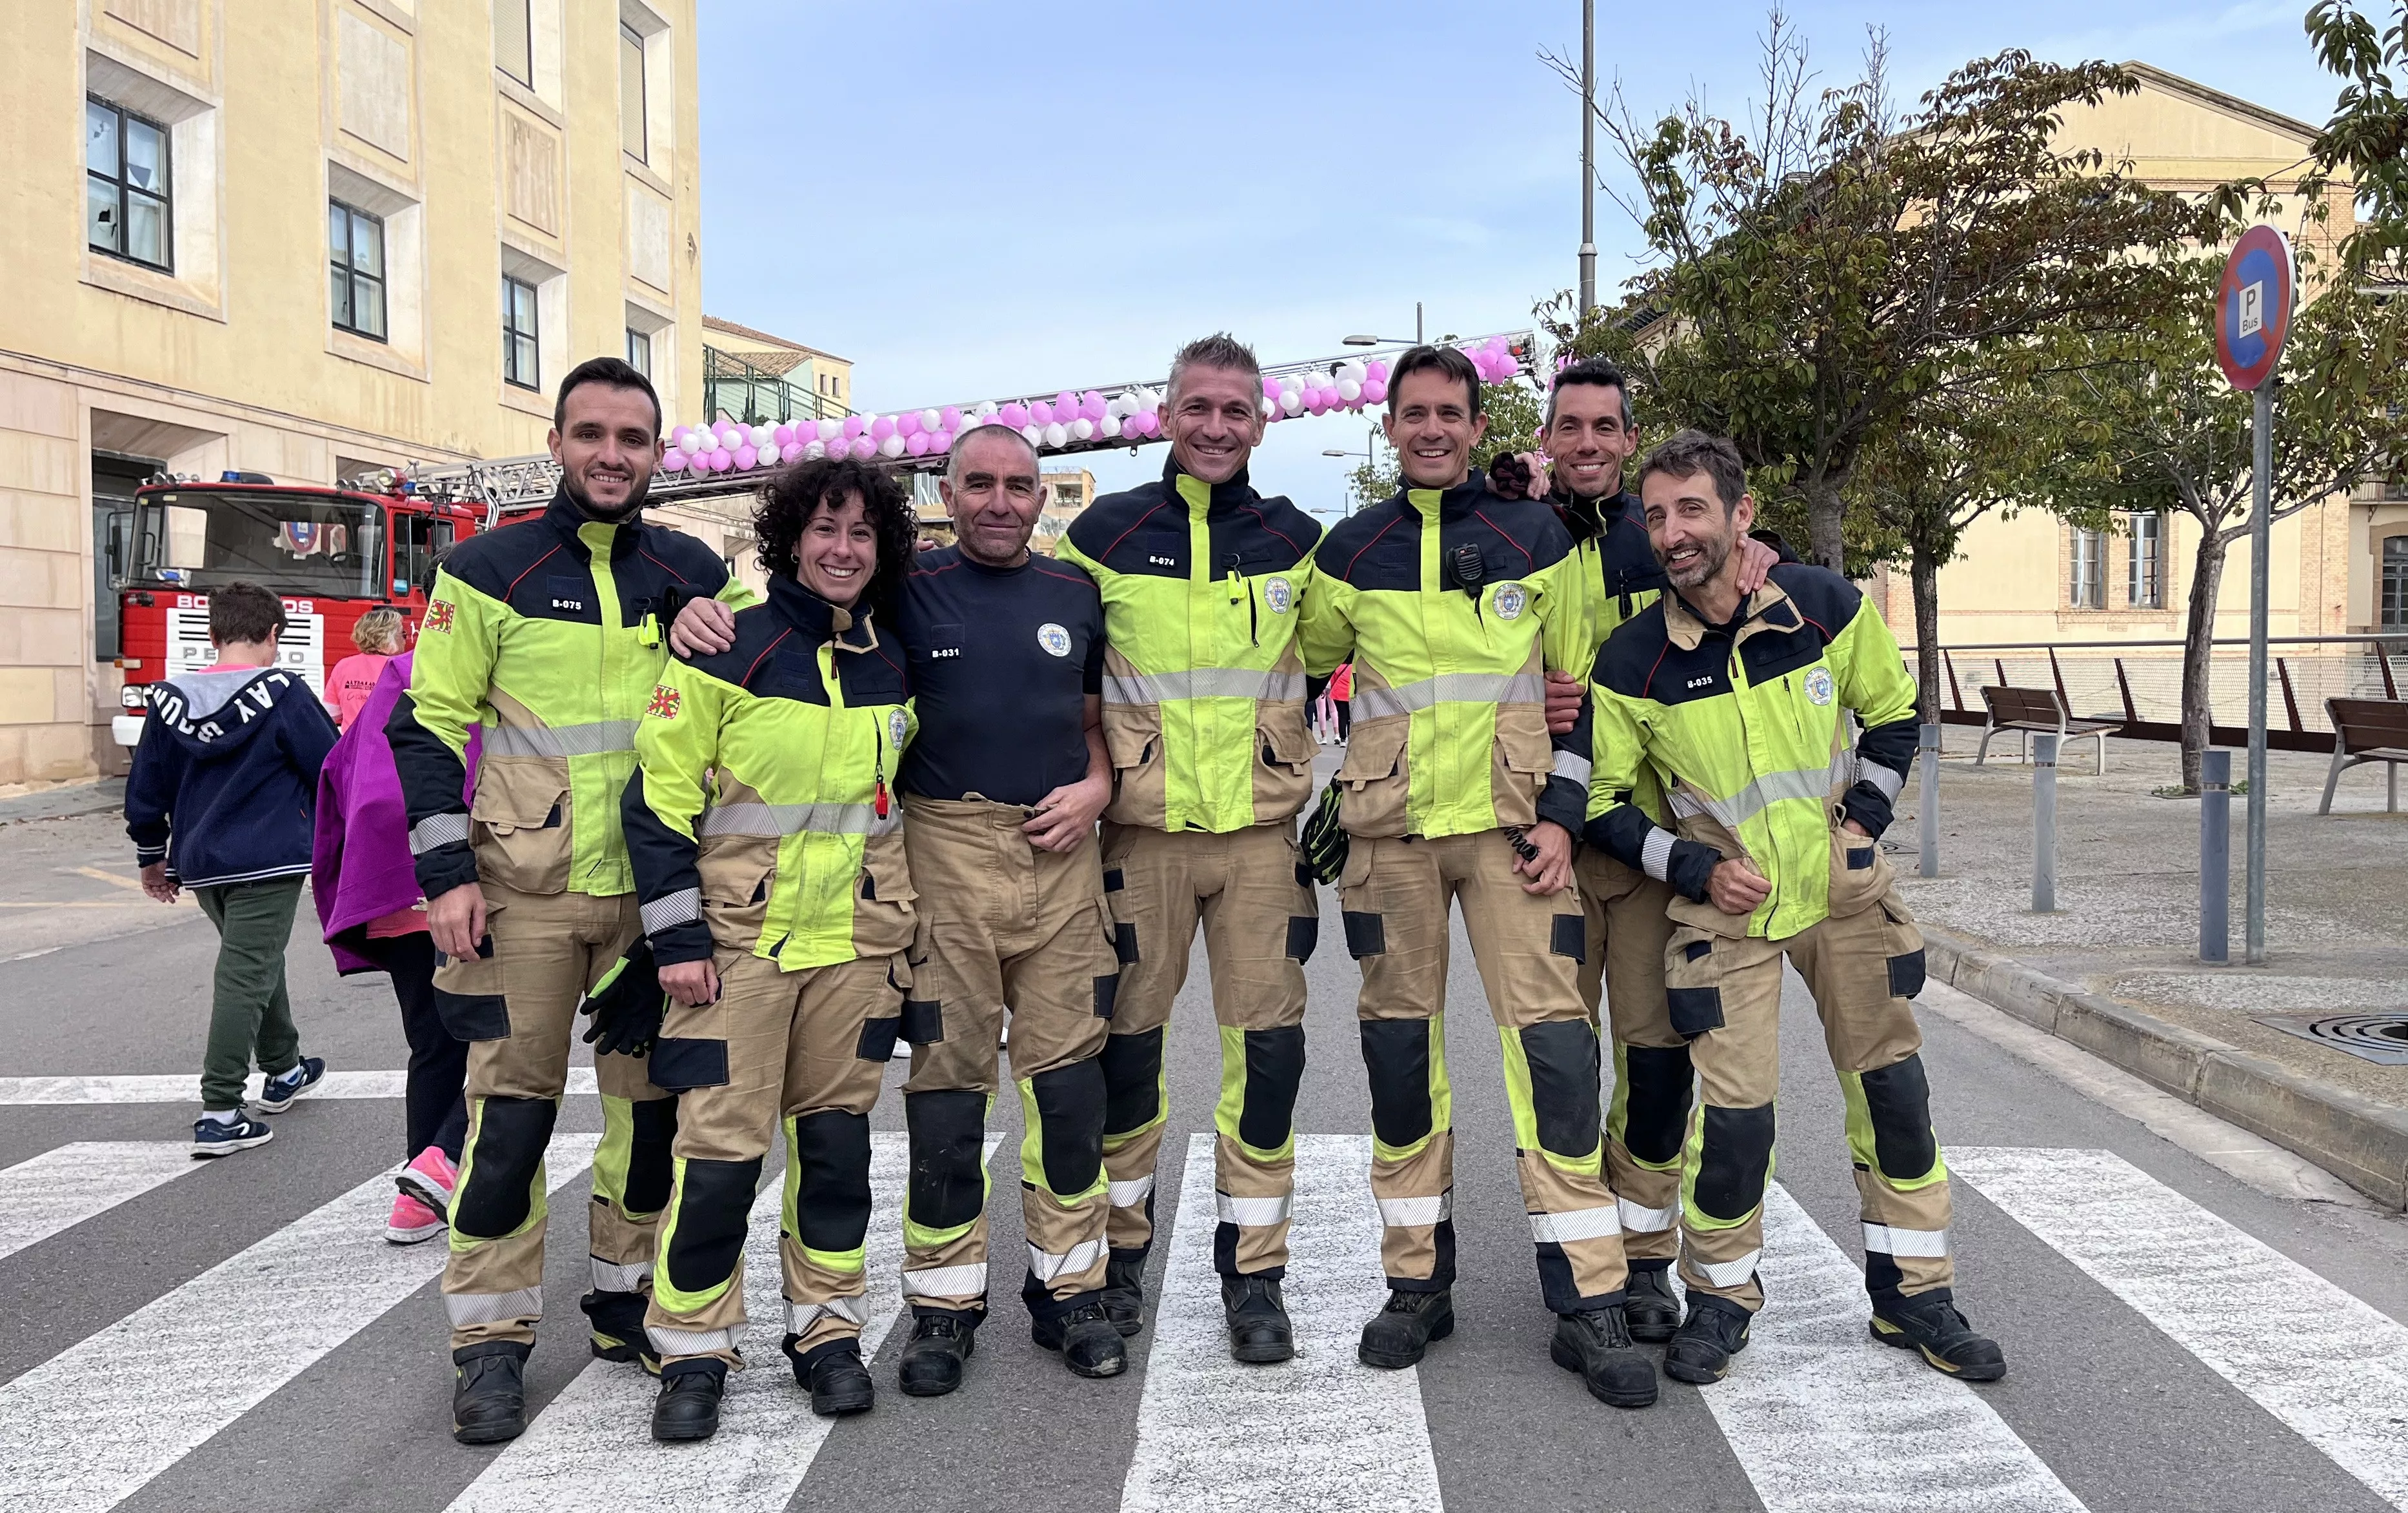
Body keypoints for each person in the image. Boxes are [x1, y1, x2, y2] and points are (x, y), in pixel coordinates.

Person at [668, 425, 1129, 1396]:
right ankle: (944, 1302)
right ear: (945, 495)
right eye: (979, 485)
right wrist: (693, 613)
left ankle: (1073, 1288)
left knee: (1070, 1090)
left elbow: (1092, 729)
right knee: (949, 1091)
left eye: (1019, 486)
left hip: (1059, 859)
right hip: (944, 855)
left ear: (1042, 499)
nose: (1001, 502)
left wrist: (1097, 788)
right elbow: (781, 623)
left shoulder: (1075, 594)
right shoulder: (901, 597)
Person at [1584, 430, 2005, 1387]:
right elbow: (1604, 803)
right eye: (1655, 515)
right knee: (1735, 1122)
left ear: (1740, 514)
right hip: (1724, 919)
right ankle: (1721, 1299)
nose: (1673, 531)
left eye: (1692, 509)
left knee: (1892, 1096)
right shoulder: (1633, 657)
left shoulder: (1822, 604)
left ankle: (1916, 1297)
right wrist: (1690, 867)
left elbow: (1895, 714)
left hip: (1847, 902)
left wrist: (1862, 819)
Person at [388, 356, 754, 1445]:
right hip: (524, 899)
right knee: (508, 1127)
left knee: (651, 1126)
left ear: (657, 454)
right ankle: (489, 1347)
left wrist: (709, 625)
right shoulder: (487, 566)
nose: (610, 454)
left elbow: (738, 715)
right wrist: (447, 875)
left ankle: (622, 1302)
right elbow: (425, 726)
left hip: (655, 904)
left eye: (632, 439)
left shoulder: (694, 569)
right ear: (556, 443)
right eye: (590, 434)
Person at [1297, 344, 1657, 1410]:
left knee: (1552, 1056)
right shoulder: (1345, 553)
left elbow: (1586, 688)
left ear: (1475, 420)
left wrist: (1560, 815)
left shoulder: (1535, 536)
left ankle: (1588, 1298)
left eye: (1451, 412)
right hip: (1390, 843)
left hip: (1514, 839)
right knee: (1399, 1059)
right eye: (1414, 413)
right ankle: (1416, 1284)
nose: (1433, 430)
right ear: (1390, 426)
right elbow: (1303, 670)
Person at [624, 458, 919, 1440]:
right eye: (826, 531)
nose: (843, 550)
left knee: (835, 1150)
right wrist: (676, 935)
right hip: (738, 948)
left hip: (856, 944)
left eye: (862, 535)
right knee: (716, 1157)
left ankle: (826, 1329)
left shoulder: (894, 655)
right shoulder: (723, 644)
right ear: (791, 537)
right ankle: (692, 1346)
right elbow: (658, 798)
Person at [1053, 334, 1325, 1363]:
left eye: (1237, 411)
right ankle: (1121, 1256)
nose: (1217, 427)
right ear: (1166, 414)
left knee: (1268, 1057)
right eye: (1199, 407)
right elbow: (1058, 670)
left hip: (1261, 841)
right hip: (1141, 838)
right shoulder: (1103, 535)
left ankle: (1255, 1276)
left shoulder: (1300, 539)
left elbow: (1391, 629)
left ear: (1262, 424)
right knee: (1127, 1051)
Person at [1504, 359, 1777, 1343]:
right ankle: (1575, 1270)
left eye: (1603, 428)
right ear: (1546, 437)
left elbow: (1733, 600)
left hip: (1654, 841)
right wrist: (1526, 699)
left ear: (1627, 439)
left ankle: (1644, 1254)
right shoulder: (1515, 535)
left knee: (1656, 1063)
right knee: (1559, 1068)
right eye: (1567, 427)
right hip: (1541, 839)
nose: (1585, 444)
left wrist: (1765, 554)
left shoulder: (1663, 538)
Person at [126, 581, 335, 1157]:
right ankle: (220, 1109)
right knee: (245, 971)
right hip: (270, 858)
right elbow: (330, 766)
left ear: (213, 634)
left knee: (256, 959)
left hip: (201, 860)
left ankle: (285, 1066)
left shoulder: (168, 699)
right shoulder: (284, 692)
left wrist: (152, 854)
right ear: (273, 636)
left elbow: (147, 785)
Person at [314, 648, 476, 1243]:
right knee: (510, 1041)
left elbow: (341, 768)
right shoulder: (496, 661)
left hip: (397, 884)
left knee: (432, 1045)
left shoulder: (399, 673)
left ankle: (420, 1196)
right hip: (469, 888)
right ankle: (444, 1159)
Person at [329, 607, 405, 729]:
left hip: (351, 744)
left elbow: (330, 714)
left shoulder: (343, 666)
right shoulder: (401, 668)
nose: (405, 640)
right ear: (389, 638)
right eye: (403, 634)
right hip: (386, 745)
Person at [1329, 661, 1352, 745]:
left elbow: (1333, 680)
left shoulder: (1339, 667)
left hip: (1338, 693)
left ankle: (1343, 739)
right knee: (1351, 717)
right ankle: (1350, 737)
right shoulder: (1354, 668)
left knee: (1342, 716)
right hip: (1350, 694)